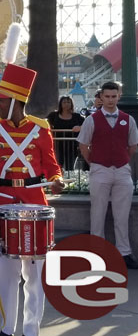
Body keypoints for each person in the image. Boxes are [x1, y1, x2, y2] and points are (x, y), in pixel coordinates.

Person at [0, 24, 64, 336]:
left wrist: (57, 179)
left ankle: (32, 328)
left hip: (35, 203)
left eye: (2, 101)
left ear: (17, 101)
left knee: (35, 274)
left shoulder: (41, 129)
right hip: (3, 202)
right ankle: (8, 328)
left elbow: (51, 165)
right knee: (7, 273)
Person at [77, 81, 138, 270]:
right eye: (107, 96)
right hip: (100, 169)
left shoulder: (128, 119)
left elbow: (133, 146)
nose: (111, 100)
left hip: (121, 170)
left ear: (118, 96)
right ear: (101, 97)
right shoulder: (91, 120)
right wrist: (95, 163)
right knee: (98, 213)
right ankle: (97, 255)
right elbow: (83, 145)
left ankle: (124, 253)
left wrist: (122, 160)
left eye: (114, 96)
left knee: (122, 214)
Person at [46, 96, 85, 171]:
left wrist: (80, 127)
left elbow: (87, 124)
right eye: (64, 102)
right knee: (57, 165)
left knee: (70, 166)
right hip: (57, 145)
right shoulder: (53, 115)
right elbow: (45, 123)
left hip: (72, 146)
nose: (66, 104)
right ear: (60, 104)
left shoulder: (77, 116)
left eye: (68, 102)